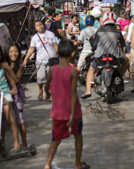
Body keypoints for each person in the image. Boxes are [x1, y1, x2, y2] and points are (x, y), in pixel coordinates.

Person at [44, 40, 89, 169]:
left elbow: (47, 87)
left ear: (58, 52)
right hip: (73, 112)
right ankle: (77, 163)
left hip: (57, 112)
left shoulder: (52, 70)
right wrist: (72, 114)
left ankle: (48, 164)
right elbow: (73, 93)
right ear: (73, 53)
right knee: (77, 136)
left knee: (55, 139)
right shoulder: (73, 71)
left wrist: (48, 94)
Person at [81, 12, 128, 99]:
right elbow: (123, 44)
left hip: (100, 57)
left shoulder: (99, 31)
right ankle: (120, 76)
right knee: (127, 61)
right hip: (115, 57)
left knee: (91, 70)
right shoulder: (118, 31)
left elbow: (94, 46)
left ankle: (88, 91)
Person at [23, 20, 58, 101]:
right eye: (37, 25)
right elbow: (31, 48)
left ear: (43, 25)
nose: (40, 26)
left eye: (41, 24)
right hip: (41, 60)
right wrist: (25, 59)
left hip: (51, 60)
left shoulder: (50, 34)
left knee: (50, 79)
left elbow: (55, 45)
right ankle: (41, 90)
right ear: (35, 28)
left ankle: (48, 94)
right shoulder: (35, 38)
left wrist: (57, 54)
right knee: (40, 78)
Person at [4, 43, 29, 150]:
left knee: (20, 119)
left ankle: (24, 143)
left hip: (16, 94)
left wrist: (7, 69)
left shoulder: (20, 65)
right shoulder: (3, 64)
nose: (13, 54)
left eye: (15, 51)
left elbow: (16, 79)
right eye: (11, 52)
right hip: (4, 93)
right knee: (6, 120)